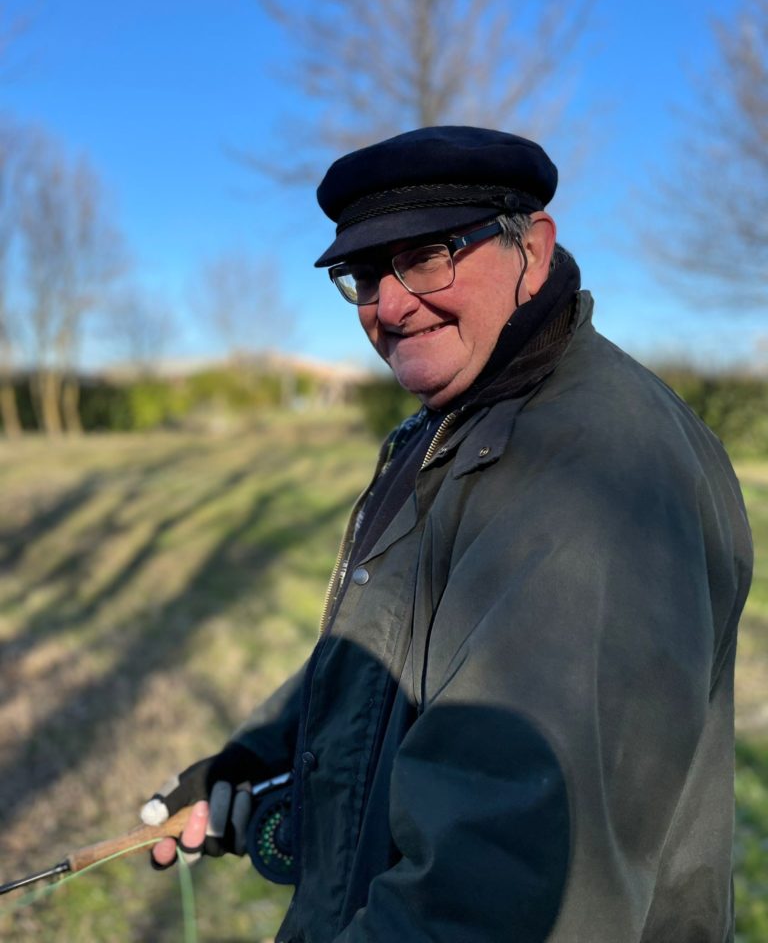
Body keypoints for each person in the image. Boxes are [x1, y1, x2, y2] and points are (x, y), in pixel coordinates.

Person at [142, 126, 753, 942]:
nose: (390, 306)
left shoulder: (594, 471)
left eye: (427, 257)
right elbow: (404, 639)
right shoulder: (455, 423)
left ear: (532, 250)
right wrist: (261, 753)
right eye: (366, 274)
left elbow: (492, 887)